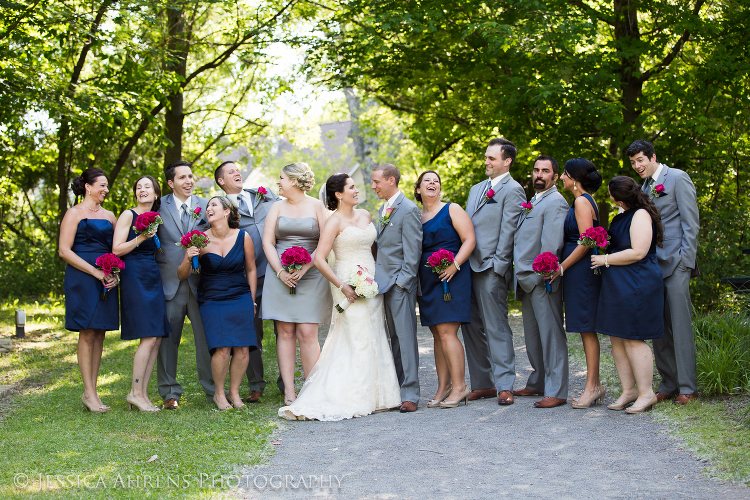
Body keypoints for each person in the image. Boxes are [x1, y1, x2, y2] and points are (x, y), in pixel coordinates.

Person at [280, 173, 401, 420]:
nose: (357, 190)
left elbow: (374, 249)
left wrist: (374, 278)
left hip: (370, 281)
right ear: (339, 194)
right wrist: (342, 285)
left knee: (374, 333)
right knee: (356, 336)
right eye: (352, 187)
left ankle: (380, 395)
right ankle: (353, 395)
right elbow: (319, 258)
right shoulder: (333, 222)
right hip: (346, 283)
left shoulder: (366, 215)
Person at [627, 140, 700, 405]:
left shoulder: (678, 178)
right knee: (659, 327)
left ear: (653, 157)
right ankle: (668, 382)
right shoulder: (643, 187)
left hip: (677, 263)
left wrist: (686, 262)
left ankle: (688, 386)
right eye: (633, 162)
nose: (637, 166)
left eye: (640, 160)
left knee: (680, 327)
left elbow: (691, 223)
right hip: (652, 265)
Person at [261, 162, 332, 405]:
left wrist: (305, 267)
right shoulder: (275, 207)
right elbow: (268, 243)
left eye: (280, 178)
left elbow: (326, 241)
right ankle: (289, 391)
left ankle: (313, 389)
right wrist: (281, 272)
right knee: (285, 332)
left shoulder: (317, 206)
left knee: (308, 332)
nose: (277, 182)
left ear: (293, 181)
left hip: (311, 274)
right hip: (279, 273)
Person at [592, 176, 665, 413]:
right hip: (618, 284)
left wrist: (605, 259)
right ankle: (629, 390)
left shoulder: (641, 215)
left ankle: (647, 393)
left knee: (634, 337)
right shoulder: (620, 216)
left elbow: (638, 252)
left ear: (616, 197)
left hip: (638, 282)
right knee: (617, 337)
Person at [178, 197, 258, 410]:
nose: (209, 208)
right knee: (221, 348)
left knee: (242, 348)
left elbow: (251, 269)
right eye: (207, 206)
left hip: (240, 296)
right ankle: (219, 394)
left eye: (214, 205)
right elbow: (181, 275)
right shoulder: (199, 240)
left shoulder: (243, 237)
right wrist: (188, 258)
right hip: (212, 298)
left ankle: (234, 392)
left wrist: (251, 301)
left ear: (226, 212)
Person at [462, 138, 526, 405]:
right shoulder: (477, 189)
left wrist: (499, 267)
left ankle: (504, 385)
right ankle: (483, 383)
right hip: (467, 268)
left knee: (497, 327)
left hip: (491, 268)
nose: (486, 162)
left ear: (507, 161)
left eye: (492, 158)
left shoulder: (514, 190)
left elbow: (509, 231)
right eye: (486, 157)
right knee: (471, 327)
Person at [215, 160, 280, 403]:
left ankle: (287, 383)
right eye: (230, 172)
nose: (237, 173)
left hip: (276, 271)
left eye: (237, 170)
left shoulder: (264, 195)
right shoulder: (219, 207)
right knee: (251, 332)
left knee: (283, 327)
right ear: (221, 181)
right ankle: (256, 384)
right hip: (246, 275)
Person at [155, 160, 214, 410]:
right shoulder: (158, 207)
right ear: (171, 183)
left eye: (191, 176)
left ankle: (213, 390)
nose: (189, 181)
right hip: (170, 281)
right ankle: (169, 392)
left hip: (202, 281)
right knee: (168, 340)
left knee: (207, 339)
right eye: (182, 178)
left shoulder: (206, 205)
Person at [58, 168, 119, 412]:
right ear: (88, 186)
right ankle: (89, 392)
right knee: (87, 332)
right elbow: (64, 250)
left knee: (100, 332)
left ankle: (92, 391)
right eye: (102, 185)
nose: (106, 189)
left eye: (106, 186)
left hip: (106, 277)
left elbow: (117, 249)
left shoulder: (110, 215)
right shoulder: (73, 213)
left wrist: (115, 273)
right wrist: (95, 272)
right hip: (82, 277)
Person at [414, 171, 476, 408]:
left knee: (448, 332)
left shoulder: (452, 209)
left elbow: (469, 239)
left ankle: (460, 387)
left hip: (452, 276)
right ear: (418, 189)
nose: (432, 183)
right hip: (428, 281)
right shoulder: (416, 216)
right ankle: (443, 387)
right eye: (427, 181)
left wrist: (455, 265)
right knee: (437, 335)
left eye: (436, 181)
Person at [512, 156, 570, 408]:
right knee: (533, 336)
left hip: (542, 279)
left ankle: (556, 390)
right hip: (525, 278)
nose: (539, 174)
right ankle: (538, 382)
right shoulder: (533, 201)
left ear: (555, 177)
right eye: (536, 170)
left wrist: (540, 277)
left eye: (545, 171)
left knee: (551, 336)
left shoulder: (556, 202)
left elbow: (551, 245)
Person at [112, 175, 171, 412]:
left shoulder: (157, 218)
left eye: (147, 187)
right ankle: (135, 392)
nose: (142, 190)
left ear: (156, 194)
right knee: (147, 335)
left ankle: (142, 394)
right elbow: (116, 249)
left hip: (152, 275)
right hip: (135, 276)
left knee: (156, 336)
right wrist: (141, 238)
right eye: (138, 187)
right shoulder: (129, 214)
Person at [549, 158, 604, 409]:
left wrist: (562, 267)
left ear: (575, 178)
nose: (561, 178)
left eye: (565, 175)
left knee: (587, 328)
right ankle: (595, 385)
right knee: (585, 328)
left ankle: (593, 386)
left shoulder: (582, 201)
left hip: (582, 270)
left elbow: (586, 242)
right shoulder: (581, 200)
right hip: (578, 270)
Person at [372, 163, 423, 412]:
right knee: (393, 339)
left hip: (400, 285)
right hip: (384, 285)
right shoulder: (384, 208)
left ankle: (411, 394)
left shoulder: (409, 209)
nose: (373, 186)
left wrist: (403, 283)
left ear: (391, 180)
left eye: (377, 182)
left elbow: (413, 254)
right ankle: (397, 390)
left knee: (405, 339)